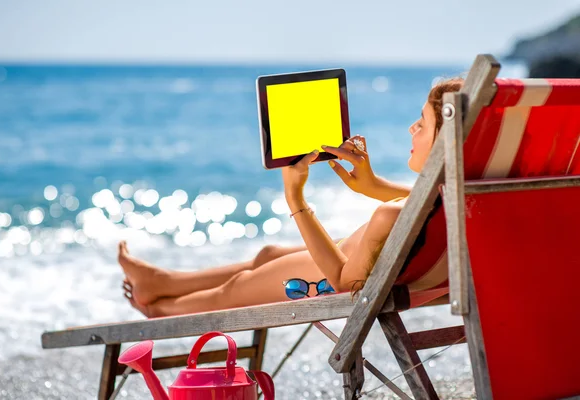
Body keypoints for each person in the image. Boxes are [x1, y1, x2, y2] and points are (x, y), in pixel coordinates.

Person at [119, 78, 464, 318]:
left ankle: (157, 308)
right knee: (267, 254)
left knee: (236, 291)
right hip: (356, 257)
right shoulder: (465, 194)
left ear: (444, 141)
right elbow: (425, 204)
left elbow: (345, 283)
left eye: (422, 123)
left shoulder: (389, 218)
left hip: (330, 278)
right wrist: (372, 186)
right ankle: (162, 282)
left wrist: (295, 196)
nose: (411, 129)